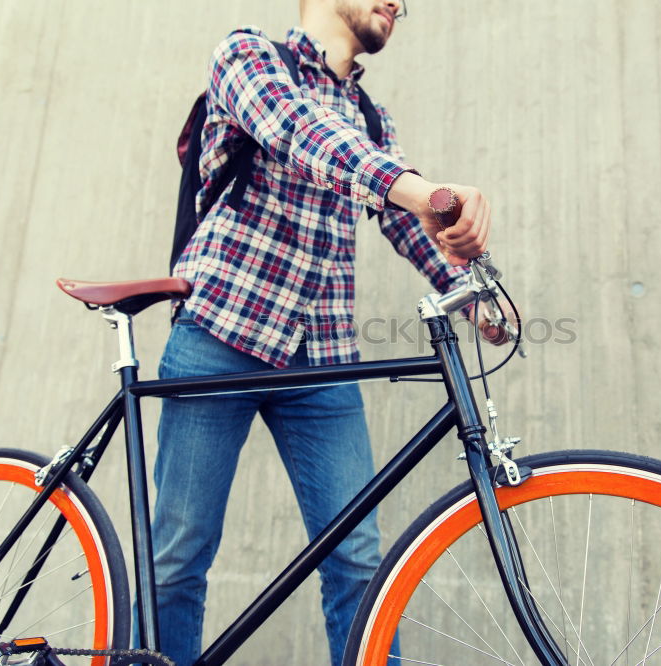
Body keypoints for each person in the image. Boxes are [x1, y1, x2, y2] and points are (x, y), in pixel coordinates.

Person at [149, 1, 498, 664]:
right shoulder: (247, 56)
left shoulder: (371, 117)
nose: (398, 4)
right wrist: (418, 188)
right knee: (179, 553)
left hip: (323, 360)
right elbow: (299, 134)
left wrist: (471, 286)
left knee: (361, 562)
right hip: (220, 335)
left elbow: (402, 220)